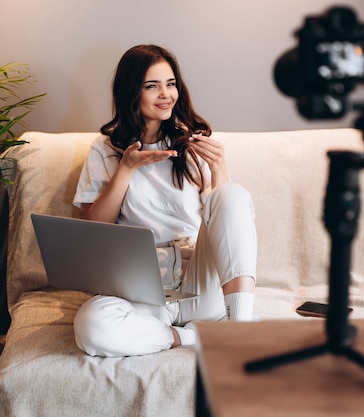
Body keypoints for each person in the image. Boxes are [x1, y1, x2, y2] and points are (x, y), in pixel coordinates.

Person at [72, 44, 257, 357]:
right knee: (92, 326)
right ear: (132, 92)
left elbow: (223, 215)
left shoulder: (191, 142)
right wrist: (126, 169)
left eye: (170, 84)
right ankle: (189, 337)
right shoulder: (105, 149)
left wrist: (219, 171)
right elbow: (96, 227)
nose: (166, 94)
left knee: (234, 193)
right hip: (141, 290)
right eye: (152, 86)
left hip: (201, 283)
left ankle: (240, 329)